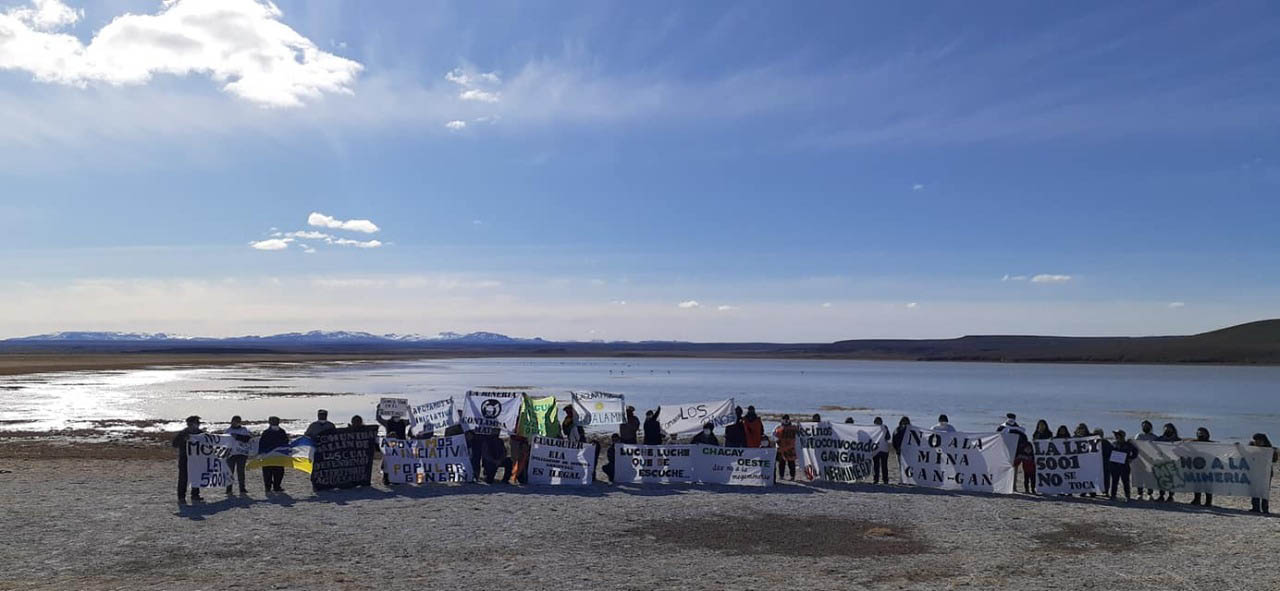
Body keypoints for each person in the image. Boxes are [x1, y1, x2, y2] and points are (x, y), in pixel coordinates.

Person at [172, 415, 205, 503]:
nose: (198, 424)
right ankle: (181, 497)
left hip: (197, 459)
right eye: (196, 423)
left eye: (198, 423)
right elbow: (174, 444)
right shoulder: (183, 433)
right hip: (185, 459)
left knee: (196, 477)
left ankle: (195, 495)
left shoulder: (200, 433)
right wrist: (183, 440)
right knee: (183, 478)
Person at [258, 416, 289, 493]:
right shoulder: (267, 432)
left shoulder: (281, 431)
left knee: (278, 472)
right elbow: (262, 443)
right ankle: (268, 487)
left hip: (278, 455)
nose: (274, 423)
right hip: (268, 455)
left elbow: (286, 442)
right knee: (268, 472)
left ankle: (276, 486)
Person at [223, 415, 252, 496]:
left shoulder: (244, 430)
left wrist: (237, 437)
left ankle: (242, 488)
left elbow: (247, 439)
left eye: (238, 421)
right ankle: (229, 489)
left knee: (241, 472)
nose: (236, 423)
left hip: (241, 454)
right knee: (229, 472)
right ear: (232, 421)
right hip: (231, 454)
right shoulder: (228, 431)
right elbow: (223, 442)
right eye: (235, 421)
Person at [1249, 433, 1276, 514]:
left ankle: (1265, 508)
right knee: (1255, 489)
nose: (1257, 442)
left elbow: (1274, 460)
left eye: (1259, 440)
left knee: (1264, 490)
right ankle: (1255, 507)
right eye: (1255, 440)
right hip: (1256, 471)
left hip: (1266, 472)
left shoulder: (1269, 449)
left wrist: (1274, 452)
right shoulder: (1252, 448)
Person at [1108, 429, 1137, 501]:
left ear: (1122, 436)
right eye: (1115, 435)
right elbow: (1109, 452)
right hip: (1115, 466)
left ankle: (1127, 496)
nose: (1116, 436)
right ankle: (1113, 495)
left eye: (1117, 435)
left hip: (1125, 466)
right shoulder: (1113, 444)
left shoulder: (1128, 444)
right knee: (1114, 482)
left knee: (1126, 482)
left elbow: (1135, 452)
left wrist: (1131, 458)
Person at [1156, 423, 1181, 502]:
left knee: (1172, 479)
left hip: (1173, 462)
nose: (1167, 430)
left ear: (1173, 429)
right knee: (1162, 479)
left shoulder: (1177, 440)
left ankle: (1171, 496)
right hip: (1162, 462)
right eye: (1166, 429)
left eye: (1169, 429)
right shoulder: (1160, 439)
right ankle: (1161, 495)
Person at [1190, 427, 1214, 507]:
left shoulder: (1211, 444)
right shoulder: (1194, 443)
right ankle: (1197, 499)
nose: (1200, 434)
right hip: (1197, 466)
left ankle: (1208, 501)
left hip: (1208, 467)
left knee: (1208, 485)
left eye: (1202, 433)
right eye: (1199, 433)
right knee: (1197, 484)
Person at [1134, 420, 1158, 499]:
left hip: (1150, 461)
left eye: (1147, 426)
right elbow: (1135, 446)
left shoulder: (1154, 437)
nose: (1145, 427)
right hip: (1140, 460)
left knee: (1150, 478)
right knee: (1140, 477)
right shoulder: (1139, 436)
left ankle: (1150, 494)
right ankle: (1139, 493)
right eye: (1143, 426)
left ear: (1150, 427)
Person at [773, 415, 798, 481]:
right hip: (781, 448)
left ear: (789, 420)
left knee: (791, 463)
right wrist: (776, 443)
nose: (786, 420)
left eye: (787, 419)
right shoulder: (778, 427)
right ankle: (781, 476)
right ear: (782, 420)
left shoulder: (794, 427)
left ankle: (792, 476)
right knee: (781, 462)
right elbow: (774, 436)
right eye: (784, 419)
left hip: (791, 448)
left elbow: (799, 434)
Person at [872, 417, 890, 484]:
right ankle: (885, 480)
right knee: (884, 466)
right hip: (884, 449)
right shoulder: (885, 427)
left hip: (876, 449)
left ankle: (876, 479)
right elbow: (888, 437)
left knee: (876, 465)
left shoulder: (873, 428)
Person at [1092, 428, 1109, 498]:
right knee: (1094, 478)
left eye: (1099, 434)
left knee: (1105, 478)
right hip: (1093, 464)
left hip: (1104, 463)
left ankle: (1105, 491)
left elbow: (1111, 452)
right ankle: (1093, 492)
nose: (1097, 435)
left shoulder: (1106, 442)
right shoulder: (1090, 442)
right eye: (1095, 434)